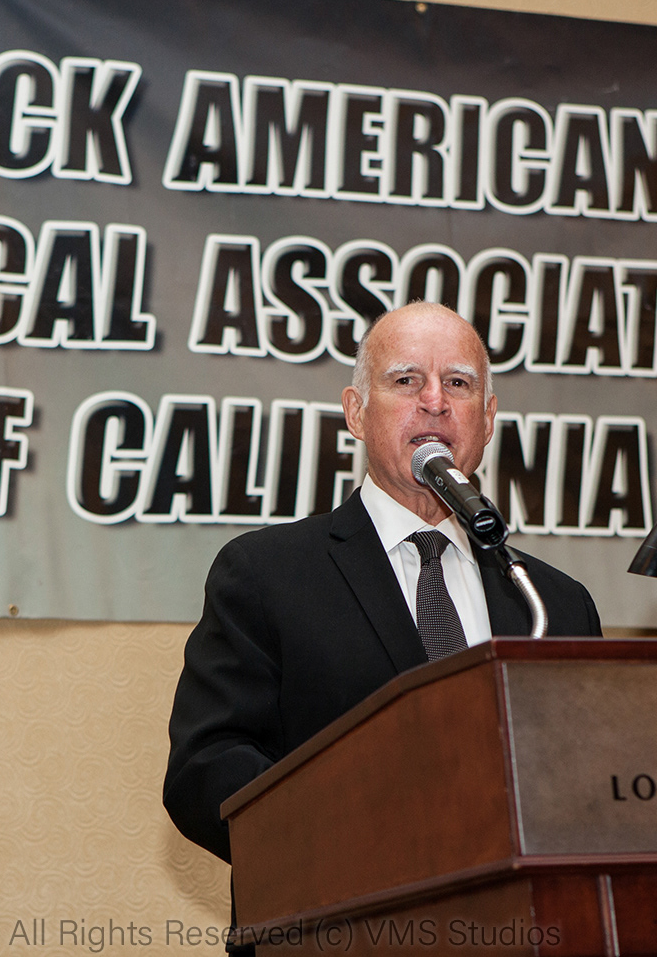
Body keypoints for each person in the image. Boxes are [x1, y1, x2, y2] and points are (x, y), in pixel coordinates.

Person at [163, 301, 601, 864]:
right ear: (356, 413)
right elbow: (207, 768)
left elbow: (592, 781)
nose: (435, 401)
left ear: (488, 419)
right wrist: (363, 836)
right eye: (406, 380)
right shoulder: (266, 574)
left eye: (458, 383)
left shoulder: (553, 603)